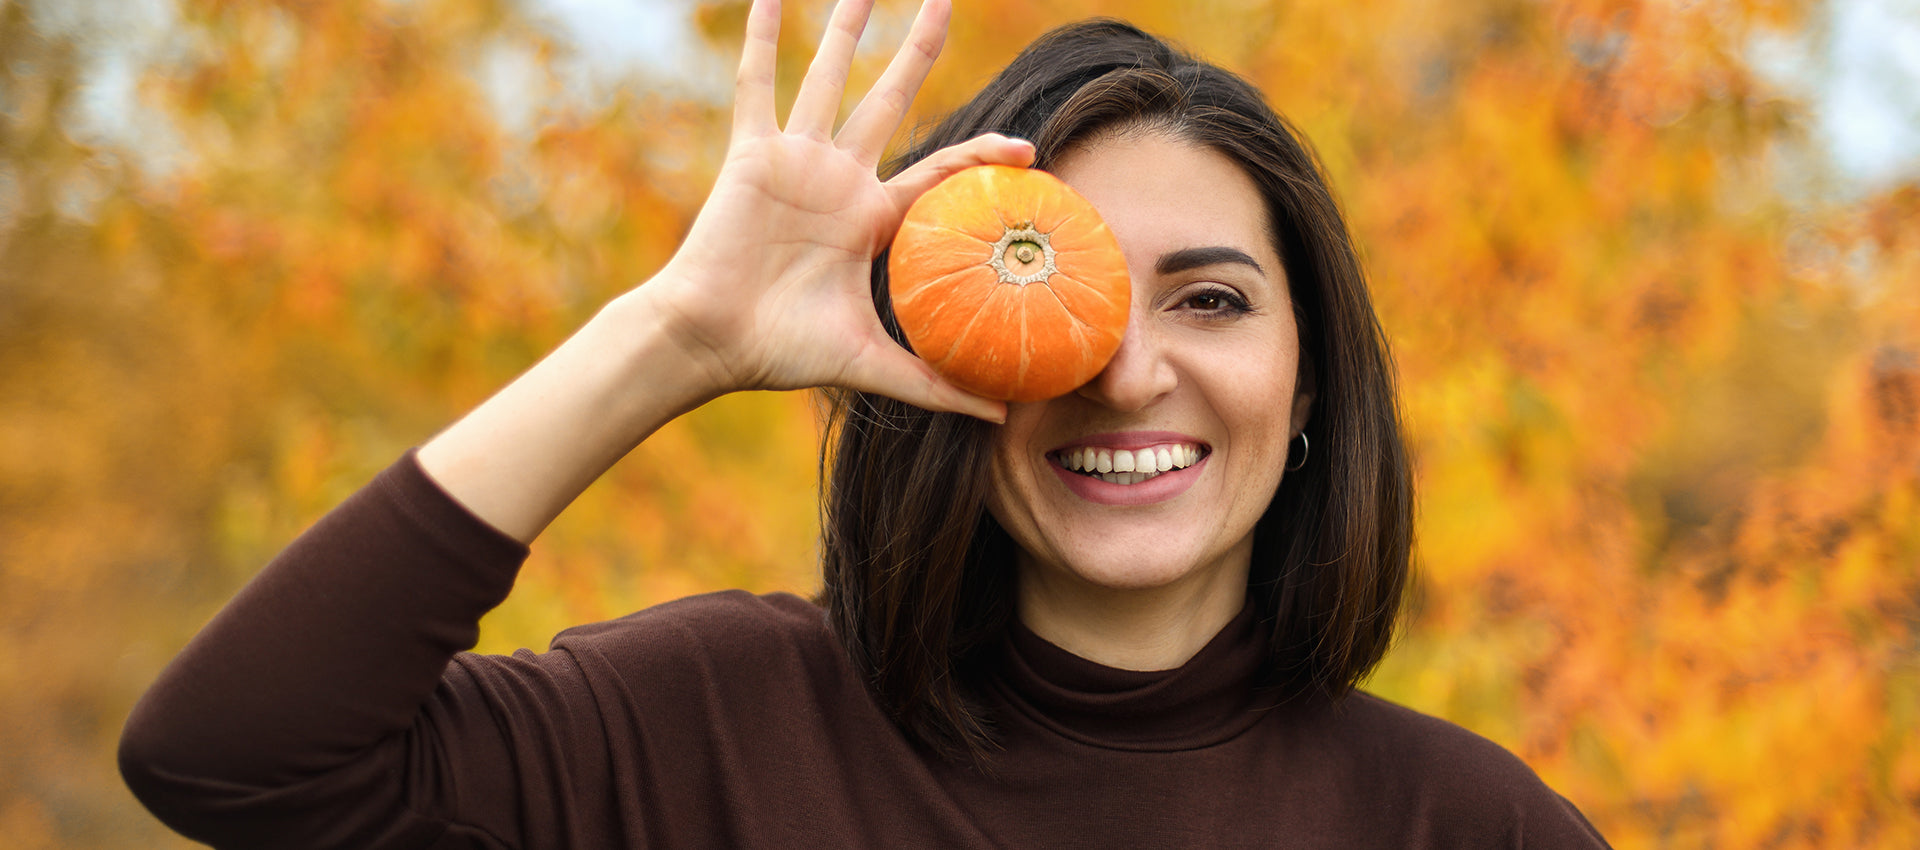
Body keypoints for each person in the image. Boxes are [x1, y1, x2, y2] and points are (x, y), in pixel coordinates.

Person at [120, 0, 1612, 846]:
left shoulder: (1461, 826)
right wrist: (675, 334)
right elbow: (234, 755)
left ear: (1313, 387)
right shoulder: (714, 724)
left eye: (1210, 300)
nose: (1126, 372)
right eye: (1059, 295)